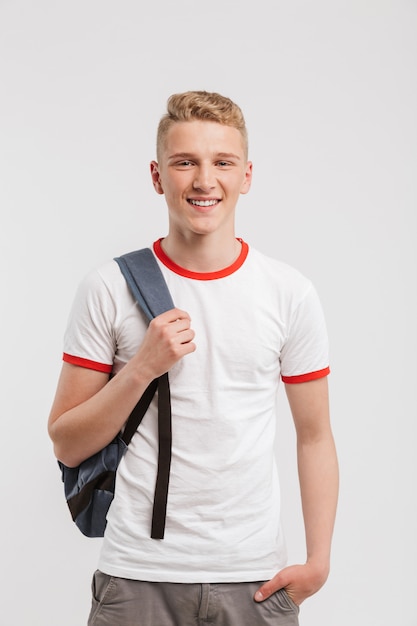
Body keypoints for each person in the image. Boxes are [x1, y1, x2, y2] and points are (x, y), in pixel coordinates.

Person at [48, 90, 339, 626]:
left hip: (254, 579)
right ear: (158, 176)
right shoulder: (109, 287)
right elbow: (67, 440)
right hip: (136, 578)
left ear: (246, 175)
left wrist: (318, 562)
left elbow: (315, 435)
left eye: (222, 162)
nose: (205, 180)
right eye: (185, 162)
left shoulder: (288, 292)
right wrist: (141, 368)